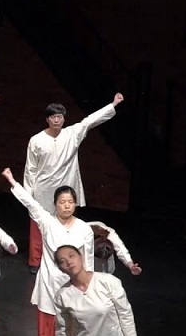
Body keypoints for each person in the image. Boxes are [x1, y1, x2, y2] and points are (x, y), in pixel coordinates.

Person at [2, 167, 94, 336]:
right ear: (55, 204)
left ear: (75, 204)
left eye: (70, 202)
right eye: (62, 202)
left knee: (71, 326)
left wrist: (88, 285)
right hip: (50, 282)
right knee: (47, 326)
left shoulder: (84, 229)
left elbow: (88, 260)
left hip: (73, 284)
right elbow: (30, 203)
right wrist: (12, 181)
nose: (66, 205)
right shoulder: (47, 221)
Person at [23, 93, 123, 272]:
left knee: (66, 225)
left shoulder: (72, 134)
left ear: (64, 118)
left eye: (59, 116)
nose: (56, 120)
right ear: (47, 119)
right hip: (43, 188)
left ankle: (62, 259)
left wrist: (113, 104)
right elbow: (30, 168)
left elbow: (90, 121)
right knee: (39, 225)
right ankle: (36, 261)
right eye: (53, 117)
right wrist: (27, 194)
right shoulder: (36, 140)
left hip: (66, 187)